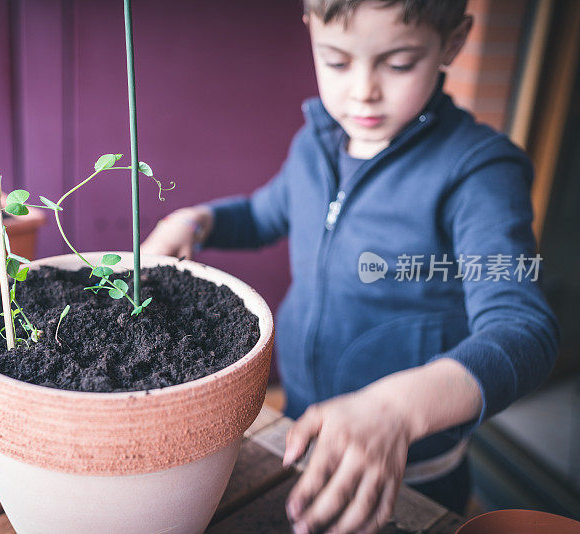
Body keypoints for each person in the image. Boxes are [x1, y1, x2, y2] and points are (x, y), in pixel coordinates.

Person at [141, 1, 560, 532]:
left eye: (399, 63)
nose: (363, 89)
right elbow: (263, 214)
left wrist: (397, 411)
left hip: (410, 473)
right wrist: (196, 219)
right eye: (337, 62)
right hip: (301, 430)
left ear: (452, 43)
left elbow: (523, 330)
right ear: (311, 34)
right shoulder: (316, 144)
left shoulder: (478, 173)